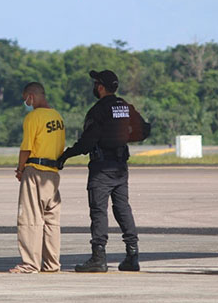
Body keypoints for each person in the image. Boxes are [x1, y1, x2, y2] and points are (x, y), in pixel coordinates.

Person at [57, 70, 150, 273]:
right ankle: (132, 256)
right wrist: (122, 138)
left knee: (99, 211)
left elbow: (87, 143)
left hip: (102, 169)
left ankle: (98, 258)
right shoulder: (125, 107)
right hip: (120, 167)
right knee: (122, 208)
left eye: (95, 83)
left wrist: (64, 156)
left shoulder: (98, 110)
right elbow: (145, 130)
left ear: (100, 87)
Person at [10, 82, 66, 274]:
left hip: (35, 171)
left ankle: (30, 263)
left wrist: (20, 169)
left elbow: (26, 147)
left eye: (25, 98)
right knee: (51, 221)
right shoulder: (57, 117)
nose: (26, 102)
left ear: (31, 97)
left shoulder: (33, 117)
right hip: (53, 174)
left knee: (30, 218)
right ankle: (52, 263)